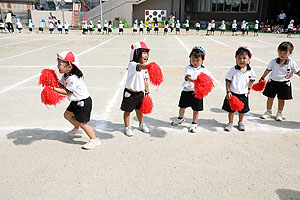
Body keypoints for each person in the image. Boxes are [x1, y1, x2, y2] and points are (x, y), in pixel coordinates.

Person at [53, 51, 100, 150]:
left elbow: (67, 91)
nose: (57, 66)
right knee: (67, 115)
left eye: (60, 64)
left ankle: (94, 140)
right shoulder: (65, 75)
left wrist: (53, 89)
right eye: (58, 63)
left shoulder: (73, 78)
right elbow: (60, 84)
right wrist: (52, 81)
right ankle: (77, 128)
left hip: (83, 102)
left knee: (83, 123)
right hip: (75, 101)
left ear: (69, 67)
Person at [171, 46, 211, 133]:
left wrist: (205, 85)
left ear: (202, 60)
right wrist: (196, 81)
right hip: (187, 90)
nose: (195, 62)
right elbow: (187, 77)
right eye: (193, 60)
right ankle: (180, 118)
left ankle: (194, 123)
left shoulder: (204, 70)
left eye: (197, 61)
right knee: (182, 106)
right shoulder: (188, 68)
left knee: (196, 109)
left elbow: (208, 80)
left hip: (197, 92)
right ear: (190, 59)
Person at [259, 42, 300, 121]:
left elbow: (298, 72)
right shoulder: (273, 61)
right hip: (272, 82)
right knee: (270, 98)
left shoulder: (291, 63)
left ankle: (279, 113)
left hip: (284, 83)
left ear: (290, 53)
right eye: (280, 52)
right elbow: (268, 70)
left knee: (281, 99)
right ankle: (268, 112)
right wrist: (262, 77)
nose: (282, 54)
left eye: (285, 53)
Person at [120, 41, 151, 137]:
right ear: (137, 54)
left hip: (140, 93)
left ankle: (141, 124)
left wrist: (147, 91)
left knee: (139, 110)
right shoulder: (133, 65)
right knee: (127, 111)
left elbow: (145, 79)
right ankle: (127, 127)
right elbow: (140, 67)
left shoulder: (145, 67)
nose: (146, 55)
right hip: (130, 93)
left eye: (147, 53)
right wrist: (151, 66)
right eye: (144, 53)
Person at [222, 47, 256, 131]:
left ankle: (240, 122)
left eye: (244, 58)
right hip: (233, 93)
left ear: (249, 59)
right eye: (239, 58)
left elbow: (252, 79)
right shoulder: (233, 69)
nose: (241, 60)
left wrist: (249, 88)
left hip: (243, 94)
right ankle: (230, 123)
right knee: (231, 110)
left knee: (242, 110)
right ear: (236, 59)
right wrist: (228, 91)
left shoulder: (250, 70)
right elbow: (228, 80)